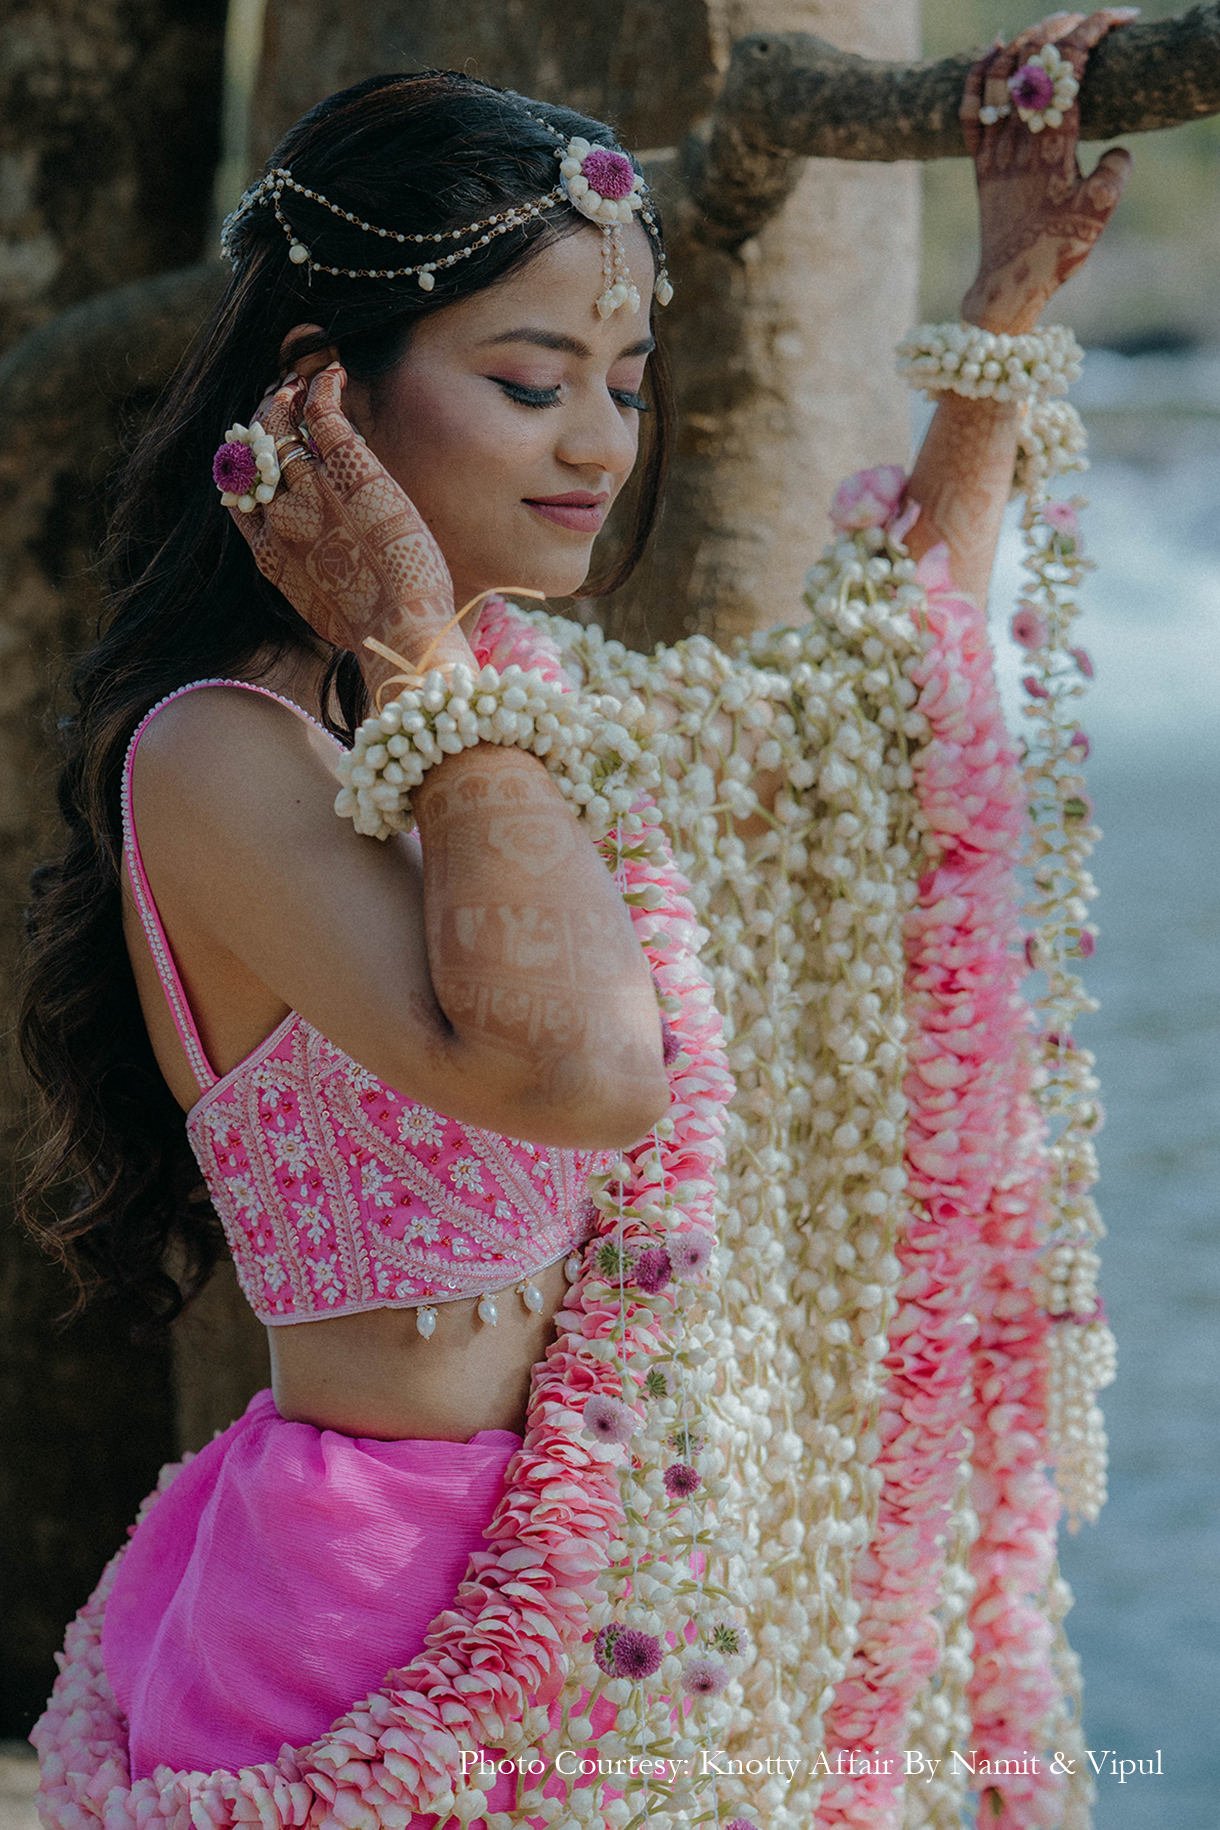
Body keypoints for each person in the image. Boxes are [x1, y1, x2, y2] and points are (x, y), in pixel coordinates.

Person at [19, 12, 1134, 1829]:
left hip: (642, 1579)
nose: (602, 443)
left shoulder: (523, 712)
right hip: (380, 1611)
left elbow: (855, 728)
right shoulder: (222, 751)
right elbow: (586, 1067)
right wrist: (409, 634)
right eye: (534, 381)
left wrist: (1002, 305)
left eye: (626, 380)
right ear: (323, 390)